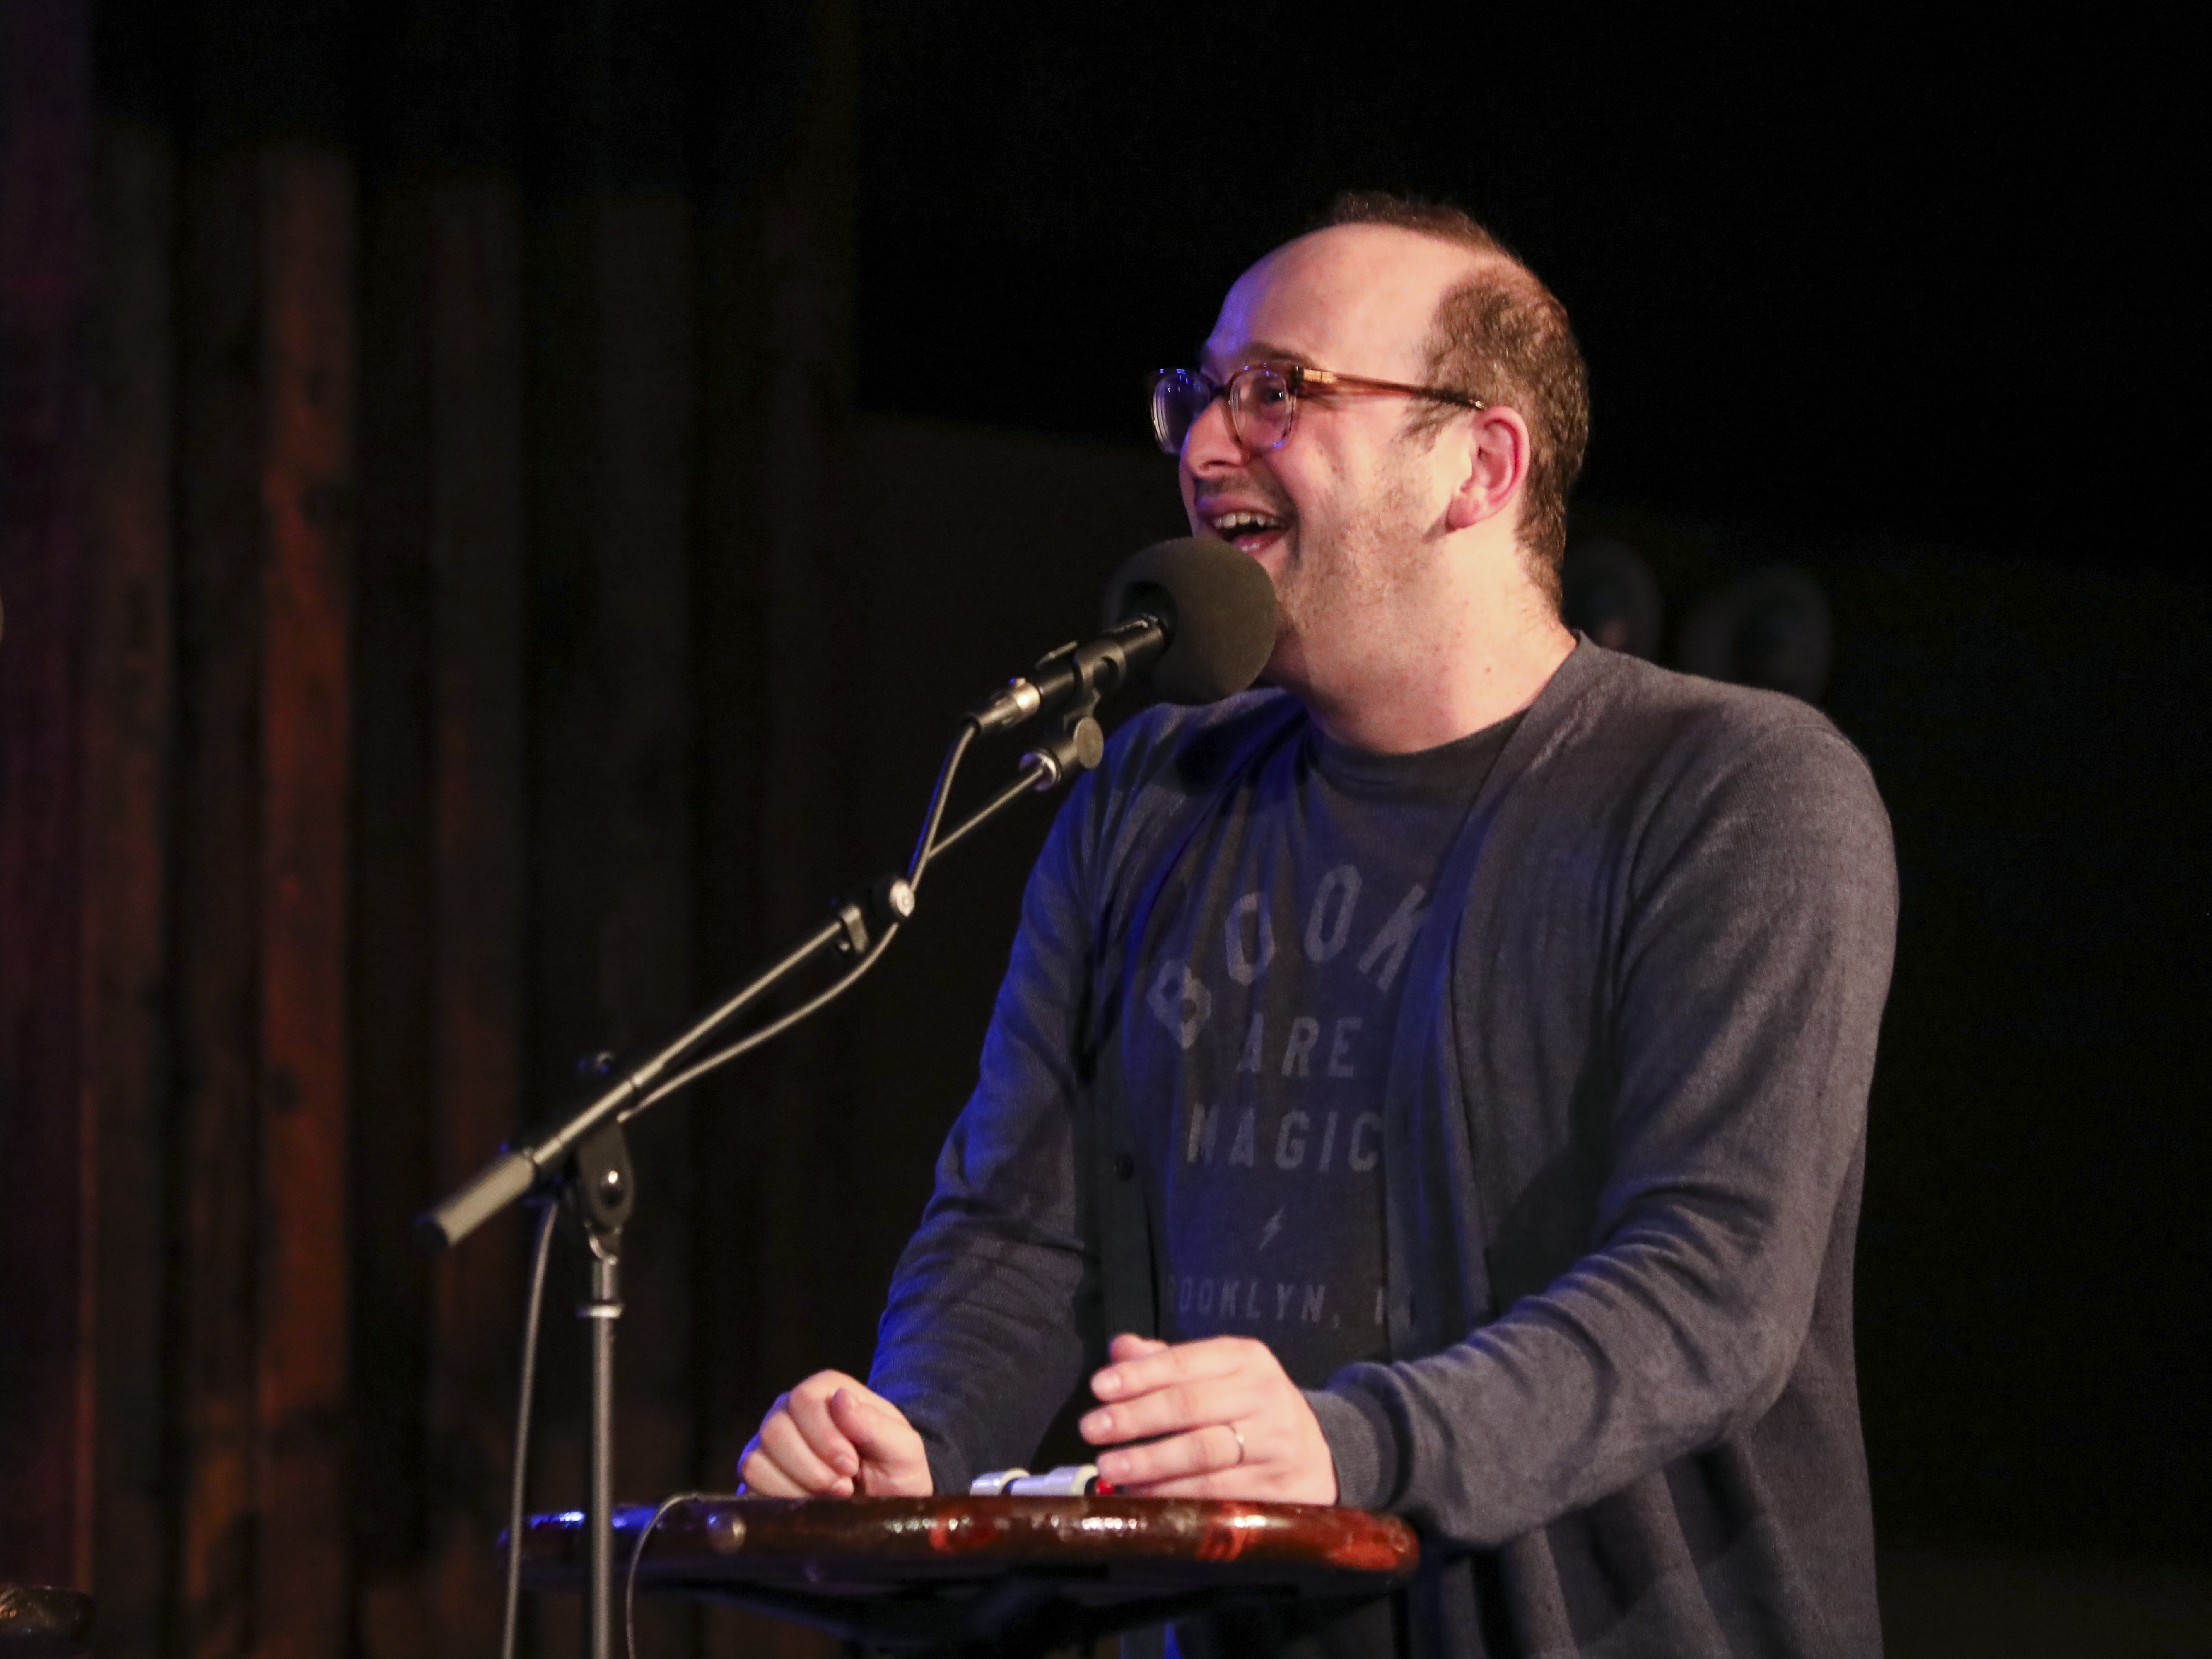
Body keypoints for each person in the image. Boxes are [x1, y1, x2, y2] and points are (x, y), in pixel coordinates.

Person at [738, 192, 1898, 1659]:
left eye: (1280, 392)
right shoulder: (1149, 793)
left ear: (1479, 464)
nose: (1212, 442)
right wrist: (907, 1444)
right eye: (1200, 394)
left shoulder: (1731, 789)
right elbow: (1020, 1231)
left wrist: (1352, 1448)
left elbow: (1712, 1289)